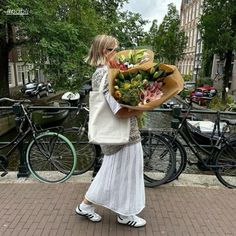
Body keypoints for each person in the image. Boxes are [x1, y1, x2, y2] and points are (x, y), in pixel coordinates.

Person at [75, 34, 146, 228]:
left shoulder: (104, 71)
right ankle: (125, 214)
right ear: (102, 51)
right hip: (123, 134)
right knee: (128, 172)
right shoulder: (106, 73)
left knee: (113, 171)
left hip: (117, 133)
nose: (117, 52)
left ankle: (86, 206)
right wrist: (141, 105)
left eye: (117, 48)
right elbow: (117, 108)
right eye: (113, 49)